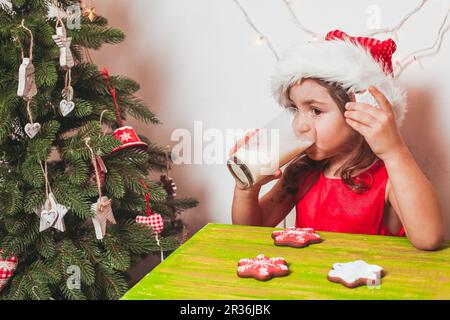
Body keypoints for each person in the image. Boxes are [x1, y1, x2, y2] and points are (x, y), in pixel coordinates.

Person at [231, 30, 444, 251]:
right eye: (295, 109)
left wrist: (394, 151)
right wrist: (246, 189)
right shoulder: (302, 171)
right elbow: (251, 230)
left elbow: (429, 238)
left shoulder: (390, 178)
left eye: (315, 110)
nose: (298, 125)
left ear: (363, 111)